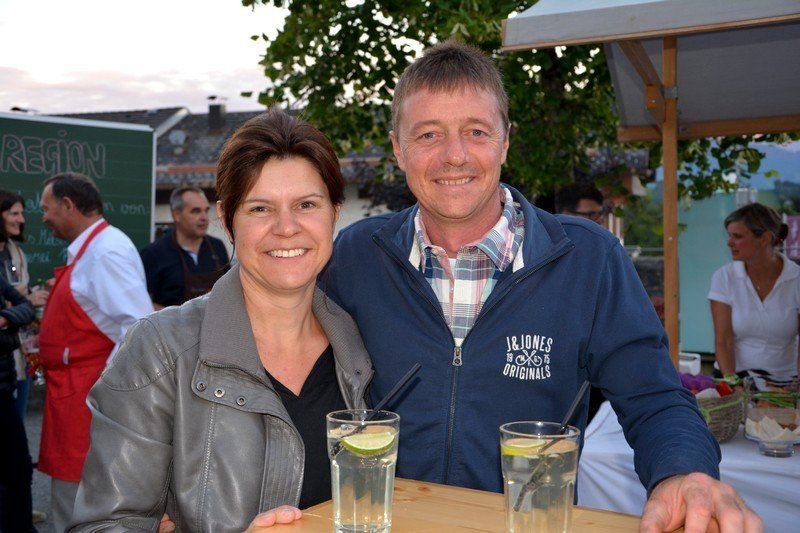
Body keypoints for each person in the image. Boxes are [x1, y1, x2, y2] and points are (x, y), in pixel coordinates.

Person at [323, 41, 759, 532]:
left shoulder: (589, 259)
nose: (455, 155)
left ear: (505, 141)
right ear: (398, 149)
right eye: (429, 134)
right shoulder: (355, 256)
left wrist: (685, 472)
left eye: (476, 132)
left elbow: (654, 398)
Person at [70, 109, 373, 531]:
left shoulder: (358, 344)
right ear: (227, 220)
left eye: (306, 205)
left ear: (335, 212)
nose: (286, 228)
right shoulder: (159, 351)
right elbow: (102, 524)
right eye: (260, 208)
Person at [37, 173, 153, 531]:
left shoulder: (105, 251)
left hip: (85, 398)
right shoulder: (94, 248)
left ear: (68, 205)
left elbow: (136, 325)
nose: (44, 217)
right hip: (72, 394)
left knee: (76, 505)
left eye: (47, 208)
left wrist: (106, 392)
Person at [709, 202, 797, 378]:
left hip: (786, 381)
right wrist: (733, 384)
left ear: (764, 239)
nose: (729, 243)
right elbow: (723, 341)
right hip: (733, 376)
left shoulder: (796, 279)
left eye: (737, 236)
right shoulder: (723, 277)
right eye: (729, 236)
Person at [140, 186, 230, 309]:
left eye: (206, 211)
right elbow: (141, 301)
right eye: (196, 211)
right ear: (177, 215)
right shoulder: (154, 253)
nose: (204, 217)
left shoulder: (217, 247)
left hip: (215, 320)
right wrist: (172, 317)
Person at [0, 276, 35, 532]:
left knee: (19, 468)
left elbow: (27, 307)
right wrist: (12, 333)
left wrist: (4, 319)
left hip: (4, 392)